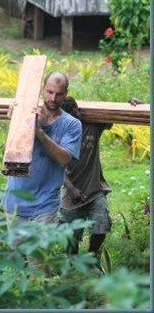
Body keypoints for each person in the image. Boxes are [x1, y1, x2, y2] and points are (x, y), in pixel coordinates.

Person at [2, 72, 82, 226]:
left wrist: (39, 131)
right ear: (43, 89)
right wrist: (17, 123)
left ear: (66, 94)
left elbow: (64, 159)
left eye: (59, 94)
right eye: (50, 92)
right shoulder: (27, 115)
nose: (53, 98)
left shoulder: (72, 124)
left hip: (45, 206)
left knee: (40, 251)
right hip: (15, 202)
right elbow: (7, 153)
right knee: (16, 251)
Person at [59, 96, 112, 260]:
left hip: (95, 189)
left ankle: (91, 260)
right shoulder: (59, 134)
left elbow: (112, 117)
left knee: (100, 228)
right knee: (71, 238)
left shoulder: (92, 126)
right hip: (70, 194)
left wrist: (132, 105)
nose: (77, 115)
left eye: (77, 111)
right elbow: (55, 167)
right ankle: (73, 267)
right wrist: (72, 188)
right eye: (71, 114)